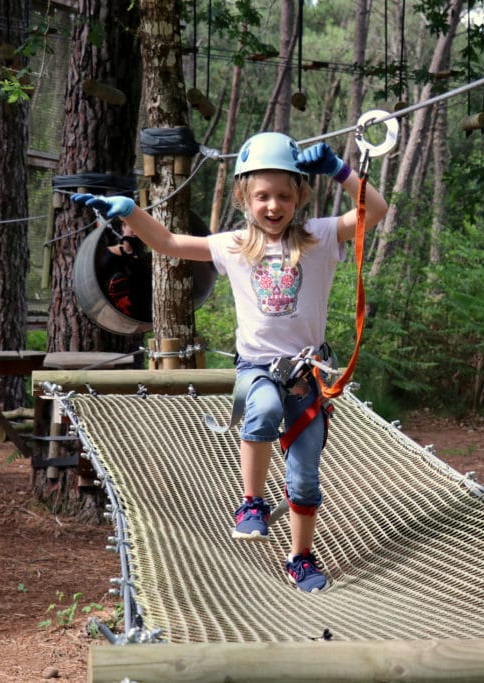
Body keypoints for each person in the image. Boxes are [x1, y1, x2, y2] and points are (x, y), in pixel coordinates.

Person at [73, 132, 388, 593]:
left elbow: (373, 212)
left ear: (300, 194)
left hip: (306, 374)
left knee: (303, 480)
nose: (274, 206)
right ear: (244, 196)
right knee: (260, 411)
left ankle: (300, 557)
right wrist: (130, 213)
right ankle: (252, 502)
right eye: (262, 196)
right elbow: (169, 243)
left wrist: (342, 171)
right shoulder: (235, 245)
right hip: (258, 368)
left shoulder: (319, 236)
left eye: (284, 195)